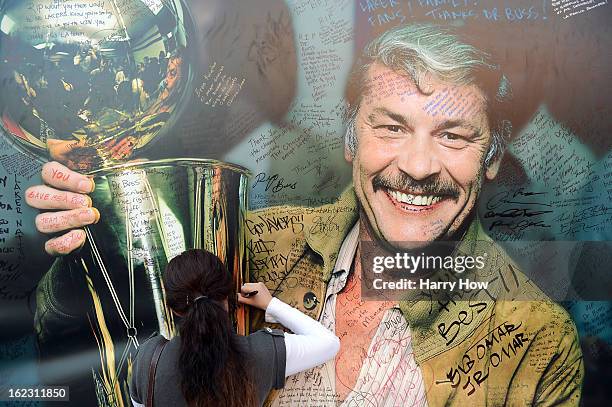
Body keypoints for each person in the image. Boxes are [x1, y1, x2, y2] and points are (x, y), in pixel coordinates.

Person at [27, 23, 583, 406]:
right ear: (349, 135)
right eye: (390, 127)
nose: (416, 166)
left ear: (492, 156)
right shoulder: (248, 244)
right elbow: (75, 345)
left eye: (453, 135)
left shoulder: (538, 339)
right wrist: (82, 267)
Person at [130, 249, 339, 407]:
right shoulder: (261, 353)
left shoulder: (147, 361)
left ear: (174, 309)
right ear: (227, 297)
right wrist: (270, 304)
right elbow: (329, 343)